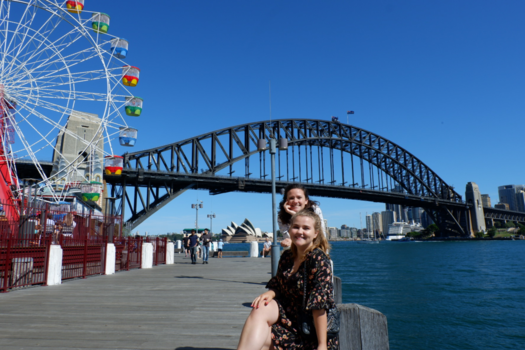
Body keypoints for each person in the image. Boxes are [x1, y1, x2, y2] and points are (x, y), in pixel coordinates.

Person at [236, 210, 338, 350]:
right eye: (296, 227)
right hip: (289, 323)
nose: (300, 231)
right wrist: (270, 293)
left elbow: (319, 306)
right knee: (260, 308)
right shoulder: (287, 257)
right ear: (289, 230)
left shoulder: (319, 259)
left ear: (315, 233)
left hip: (310, 331)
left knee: (261, 339)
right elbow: (279, 285)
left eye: (306, 228)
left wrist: (322, 345)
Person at [278, 184, 326, 248]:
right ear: (287, 201)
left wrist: (295, 215)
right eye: (291, 198)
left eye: (299, 197)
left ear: (306, 201)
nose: (295, 201)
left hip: (315, 250)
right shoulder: (281, 217)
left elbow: (321, 237)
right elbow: (289, 241)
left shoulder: (315, 209)